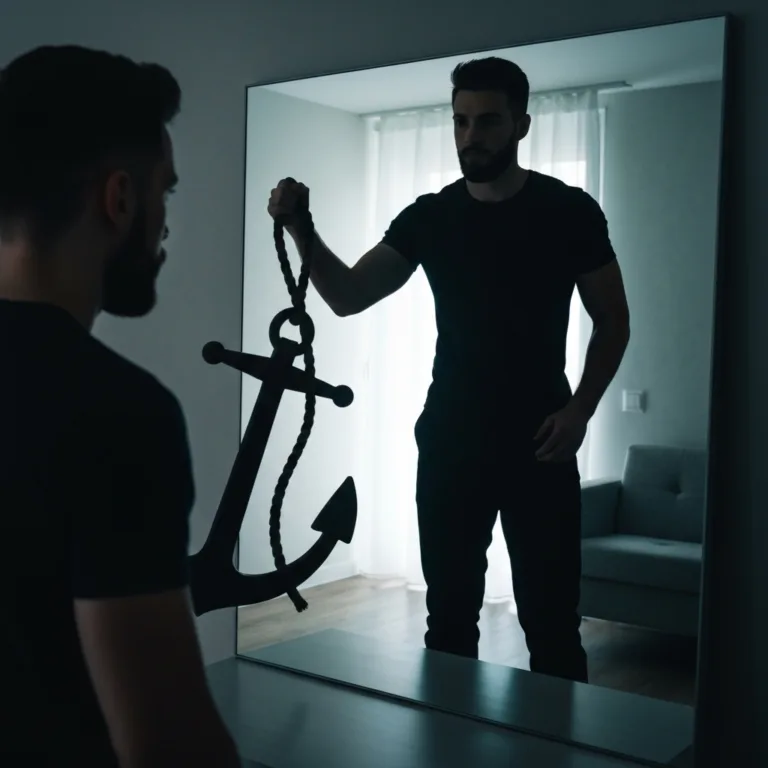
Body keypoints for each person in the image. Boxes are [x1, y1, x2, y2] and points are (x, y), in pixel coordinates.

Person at [268, 57, 630, 683]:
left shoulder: (569, 210)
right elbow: (349, 295)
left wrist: (581, 411)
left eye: (487, 121)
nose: (471, 136)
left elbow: (614, 321)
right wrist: (301, 226)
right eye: (461, 121)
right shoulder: (430, 217)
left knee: (552, 625)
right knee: (449, 620)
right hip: (450, 441)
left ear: (521, 124)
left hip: (543, 442)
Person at [0, 46, 241, 766]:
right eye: (164, 192)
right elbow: (169, 748)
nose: (164, 224)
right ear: (121, 199)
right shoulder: (117, 417)